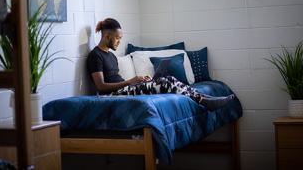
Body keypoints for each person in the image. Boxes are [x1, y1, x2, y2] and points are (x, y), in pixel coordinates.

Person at [86, 18, 235, 111]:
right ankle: (204, 101)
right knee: (164, 82)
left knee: (167, 79)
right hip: (113, 96)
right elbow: (101, 87)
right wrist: (130, 81)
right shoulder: (95, 56)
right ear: (107, 36)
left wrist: (138, 81)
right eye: (117, 38)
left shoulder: (111, 56)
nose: (119, 42)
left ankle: (204, 97)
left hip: (125, 89)